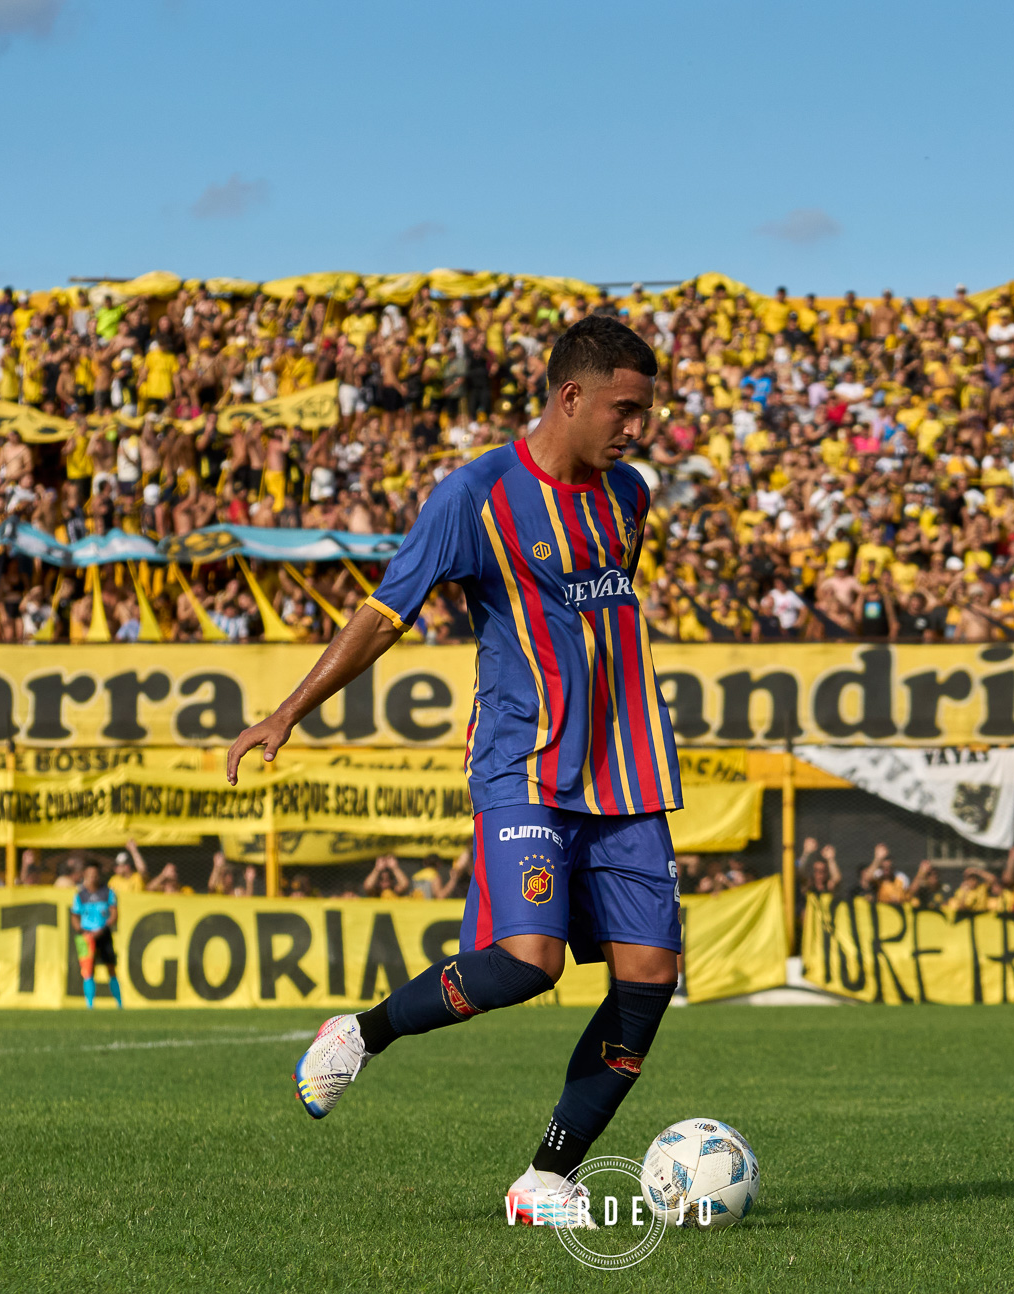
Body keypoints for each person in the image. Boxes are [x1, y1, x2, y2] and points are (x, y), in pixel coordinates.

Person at [226, 316, 680, 1230]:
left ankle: (546, 1179)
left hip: (627, 770)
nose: (639, 429)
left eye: (647, 411)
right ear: (572, 396)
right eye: (626, 409)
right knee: (528, 964)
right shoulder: (473, 496)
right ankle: (360, 1034)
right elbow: (385, 612)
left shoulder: (629, 495)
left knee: (648, 978)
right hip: (522, 762)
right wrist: (287, 711)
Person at [69, 861, 122, 1010]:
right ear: (85, 875)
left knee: (111, 967)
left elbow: (114, 914)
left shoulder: (107, 892)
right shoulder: (80, 895)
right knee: (88, 969)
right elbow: (74, 917)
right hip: (87, 937)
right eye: (90, 874)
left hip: (104, 934)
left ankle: (119, 1003)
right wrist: (83, 931)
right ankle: (90, 1005)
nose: (93, 877)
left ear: (99, 875)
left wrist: (102, 929)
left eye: (95, 874)